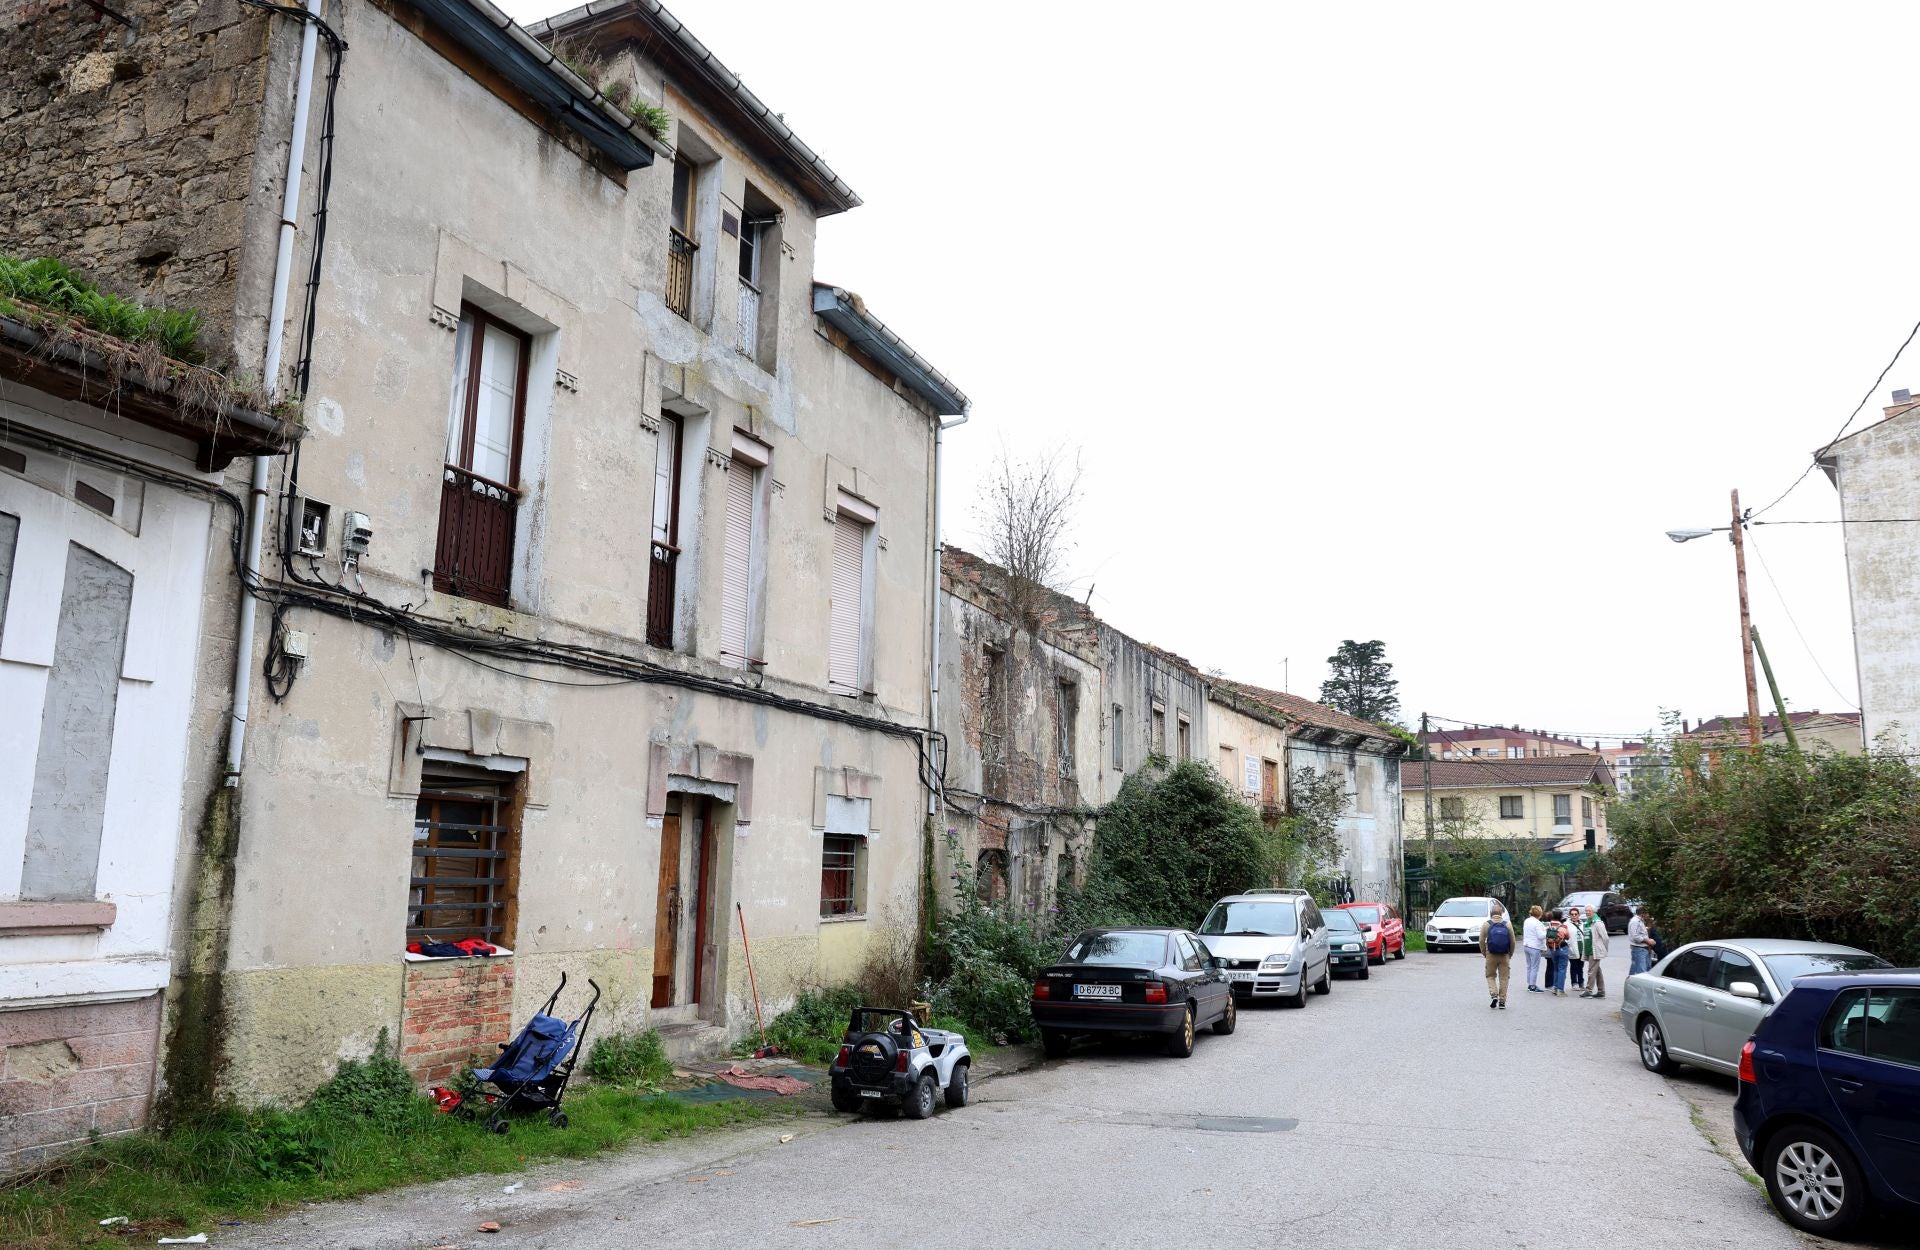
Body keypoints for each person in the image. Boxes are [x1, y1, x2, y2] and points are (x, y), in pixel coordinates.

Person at [1478, 902, 1515, 1009]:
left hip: (1491, 954)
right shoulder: (1507, 924)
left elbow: (1481, 940)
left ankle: (1494, 994)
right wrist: (1510, 953)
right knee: (1504, 978)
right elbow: (1512, 941)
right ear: (1502, 913)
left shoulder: (1486, 924)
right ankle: (1502, 1001)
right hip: (1504, 955)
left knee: (1490, 976)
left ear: (1491, 913)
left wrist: (1484, 952)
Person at [1577, 905, 1610, 999]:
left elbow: (1605, 938)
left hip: (1595, 950)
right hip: (1589, 949)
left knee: (1591, 971)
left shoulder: (1598, 923)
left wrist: (1604, 949)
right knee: (1597, 970)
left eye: (1589, 911)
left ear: (1594, 912)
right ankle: (1601, 991)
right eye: (1586, 911)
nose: (1587, 912)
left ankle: (1588, 990)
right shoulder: (1587, 922)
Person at [1544, 909, 1571, 996]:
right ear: (1561, 916)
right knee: (1562, 969)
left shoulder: (1547, 925)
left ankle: (1555, 988)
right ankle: (1560, 990)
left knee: (1555, 969)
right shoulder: (1563, 927)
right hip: (1562, 948)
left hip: (1552, 949)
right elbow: (1567, 937)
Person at [1523, 905, 1548, 993]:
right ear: (1540, 914)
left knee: (1529, 966)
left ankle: (1529, 984)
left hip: (1526, 945)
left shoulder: (1527, 921)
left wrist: (1544, 928)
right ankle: (1532, 986)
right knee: (1534, 967)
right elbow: (1541, 936)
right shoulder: (1537, 923)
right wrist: (1547, 932)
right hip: (1535, 947)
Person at [1627, 906, 1654, 975]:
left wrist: (1648, 939)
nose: (1648, 915)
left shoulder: (1640, 921)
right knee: (1642, 972)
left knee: (1646, 969)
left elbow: (1640, 933)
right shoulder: (1635, 921)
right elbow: (1635, 936)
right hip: (1639, 949)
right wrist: (1648, 941)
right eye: (1647, 913)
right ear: (1642, 913)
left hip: (1644, 949)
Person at [1566, 905, 1587, 991]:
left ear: (1578, 915)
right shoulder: (1566, 925)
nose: (1574, 916)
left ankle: (1581, 983)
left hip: (1582, 948)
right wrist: (1569, 946)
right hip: (1572, 948)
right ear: (1570, 915)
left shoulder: (1583, 924)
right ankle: (1574, 983)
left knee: (1580, 967)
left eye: (1575, 914)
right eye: (1572, 914)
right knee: (1573, 966)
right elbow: (1565, 937)